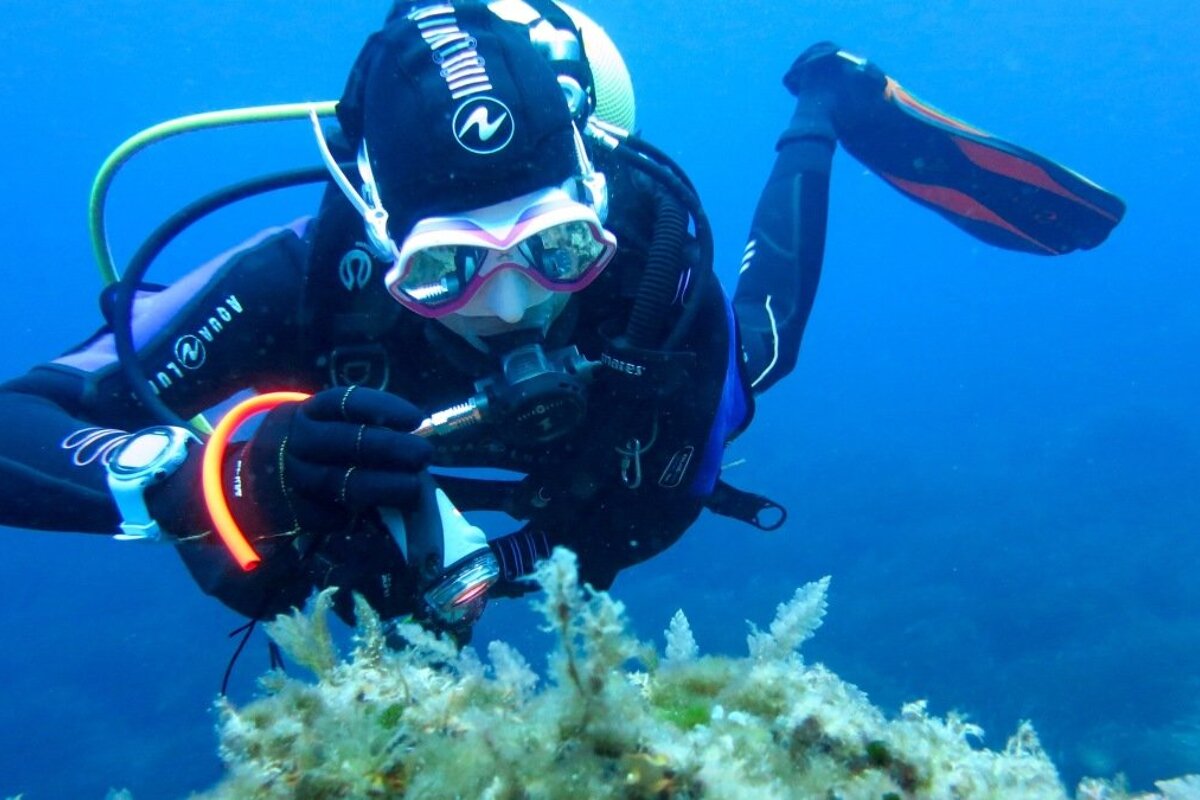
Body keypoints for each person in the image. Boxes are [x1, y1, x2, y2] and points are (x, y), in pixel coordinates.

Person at [0, 2, 1123, 639]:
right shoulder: (303, 276)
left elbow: (659, 482)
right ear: (377, 228)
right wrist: (189, 473)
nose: (516, 301)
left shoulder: (650, 265)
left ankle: (822, 106)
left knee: (761, 353)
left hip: (625, 465)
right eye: (445, 270)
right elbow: (20, 419)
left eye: (556, 246)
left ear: (598, 199)